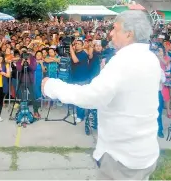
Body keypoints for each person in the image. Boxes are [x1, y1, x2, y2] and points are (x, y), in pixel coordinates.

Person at [42, 11, 160, 180]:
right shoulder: (150, 58)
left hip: (122, 158)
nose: (110, 33)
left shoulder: (123, 62)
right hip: (143, 152)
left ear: (129, 33)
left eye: (115, 28)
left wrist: (52, 86)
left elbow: (91, 97)